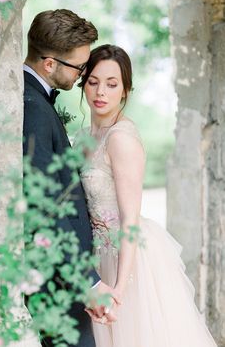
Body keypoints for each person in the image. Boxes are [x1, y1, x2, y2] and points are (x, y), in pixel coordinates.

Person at [76, 44, 218, 347]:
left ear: (125, 90)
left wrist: (119, 291)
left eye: (112, 84)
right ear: (83, 82)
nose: (101, 92)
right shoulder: (84, 137)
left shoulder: (121, 140)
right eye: (93, 81)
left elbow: (130, 219)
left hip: (125, 256)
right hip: (95, 254)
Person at [23, 10, 119, 347]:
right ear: (50, 64)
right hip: (59, 283)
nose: (82, 77)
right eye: (79, 68)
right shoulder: (32, 107)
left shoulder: (35, 100)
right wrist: (89, 284)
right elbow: (46, 204)